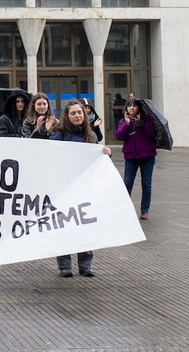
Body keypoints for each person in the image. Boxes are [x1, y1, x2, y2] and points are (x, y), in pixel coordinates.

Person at [49, 101, 113, 277]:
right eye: (73, 113)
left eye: (80, 113)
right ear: (67, 117)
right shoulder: (59, 134)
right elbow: (50, 154)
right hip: (64, 188)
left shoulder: (91, 135)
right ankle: (65, 266)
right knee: (63, 227)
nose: (77, 116)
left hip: (84, 188)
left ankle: (85, 265)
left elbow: (98, 160)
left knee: (85, 227)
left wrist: (107, 153)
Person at [115, 98, 157, 220]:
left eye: (134, 106)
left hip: (147, 155)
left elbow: (152, 134)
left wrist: (140, 125)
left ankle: (144, 210)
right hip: (131, 156)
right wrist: (127, 124)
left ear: (139, 108)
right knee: (127, 183)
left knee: (146, 184)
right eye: (129, 106)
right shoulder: (123, 121)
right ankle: (124, 207)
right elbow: (119, 136)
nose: (132, 108)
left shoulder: (147, 119)